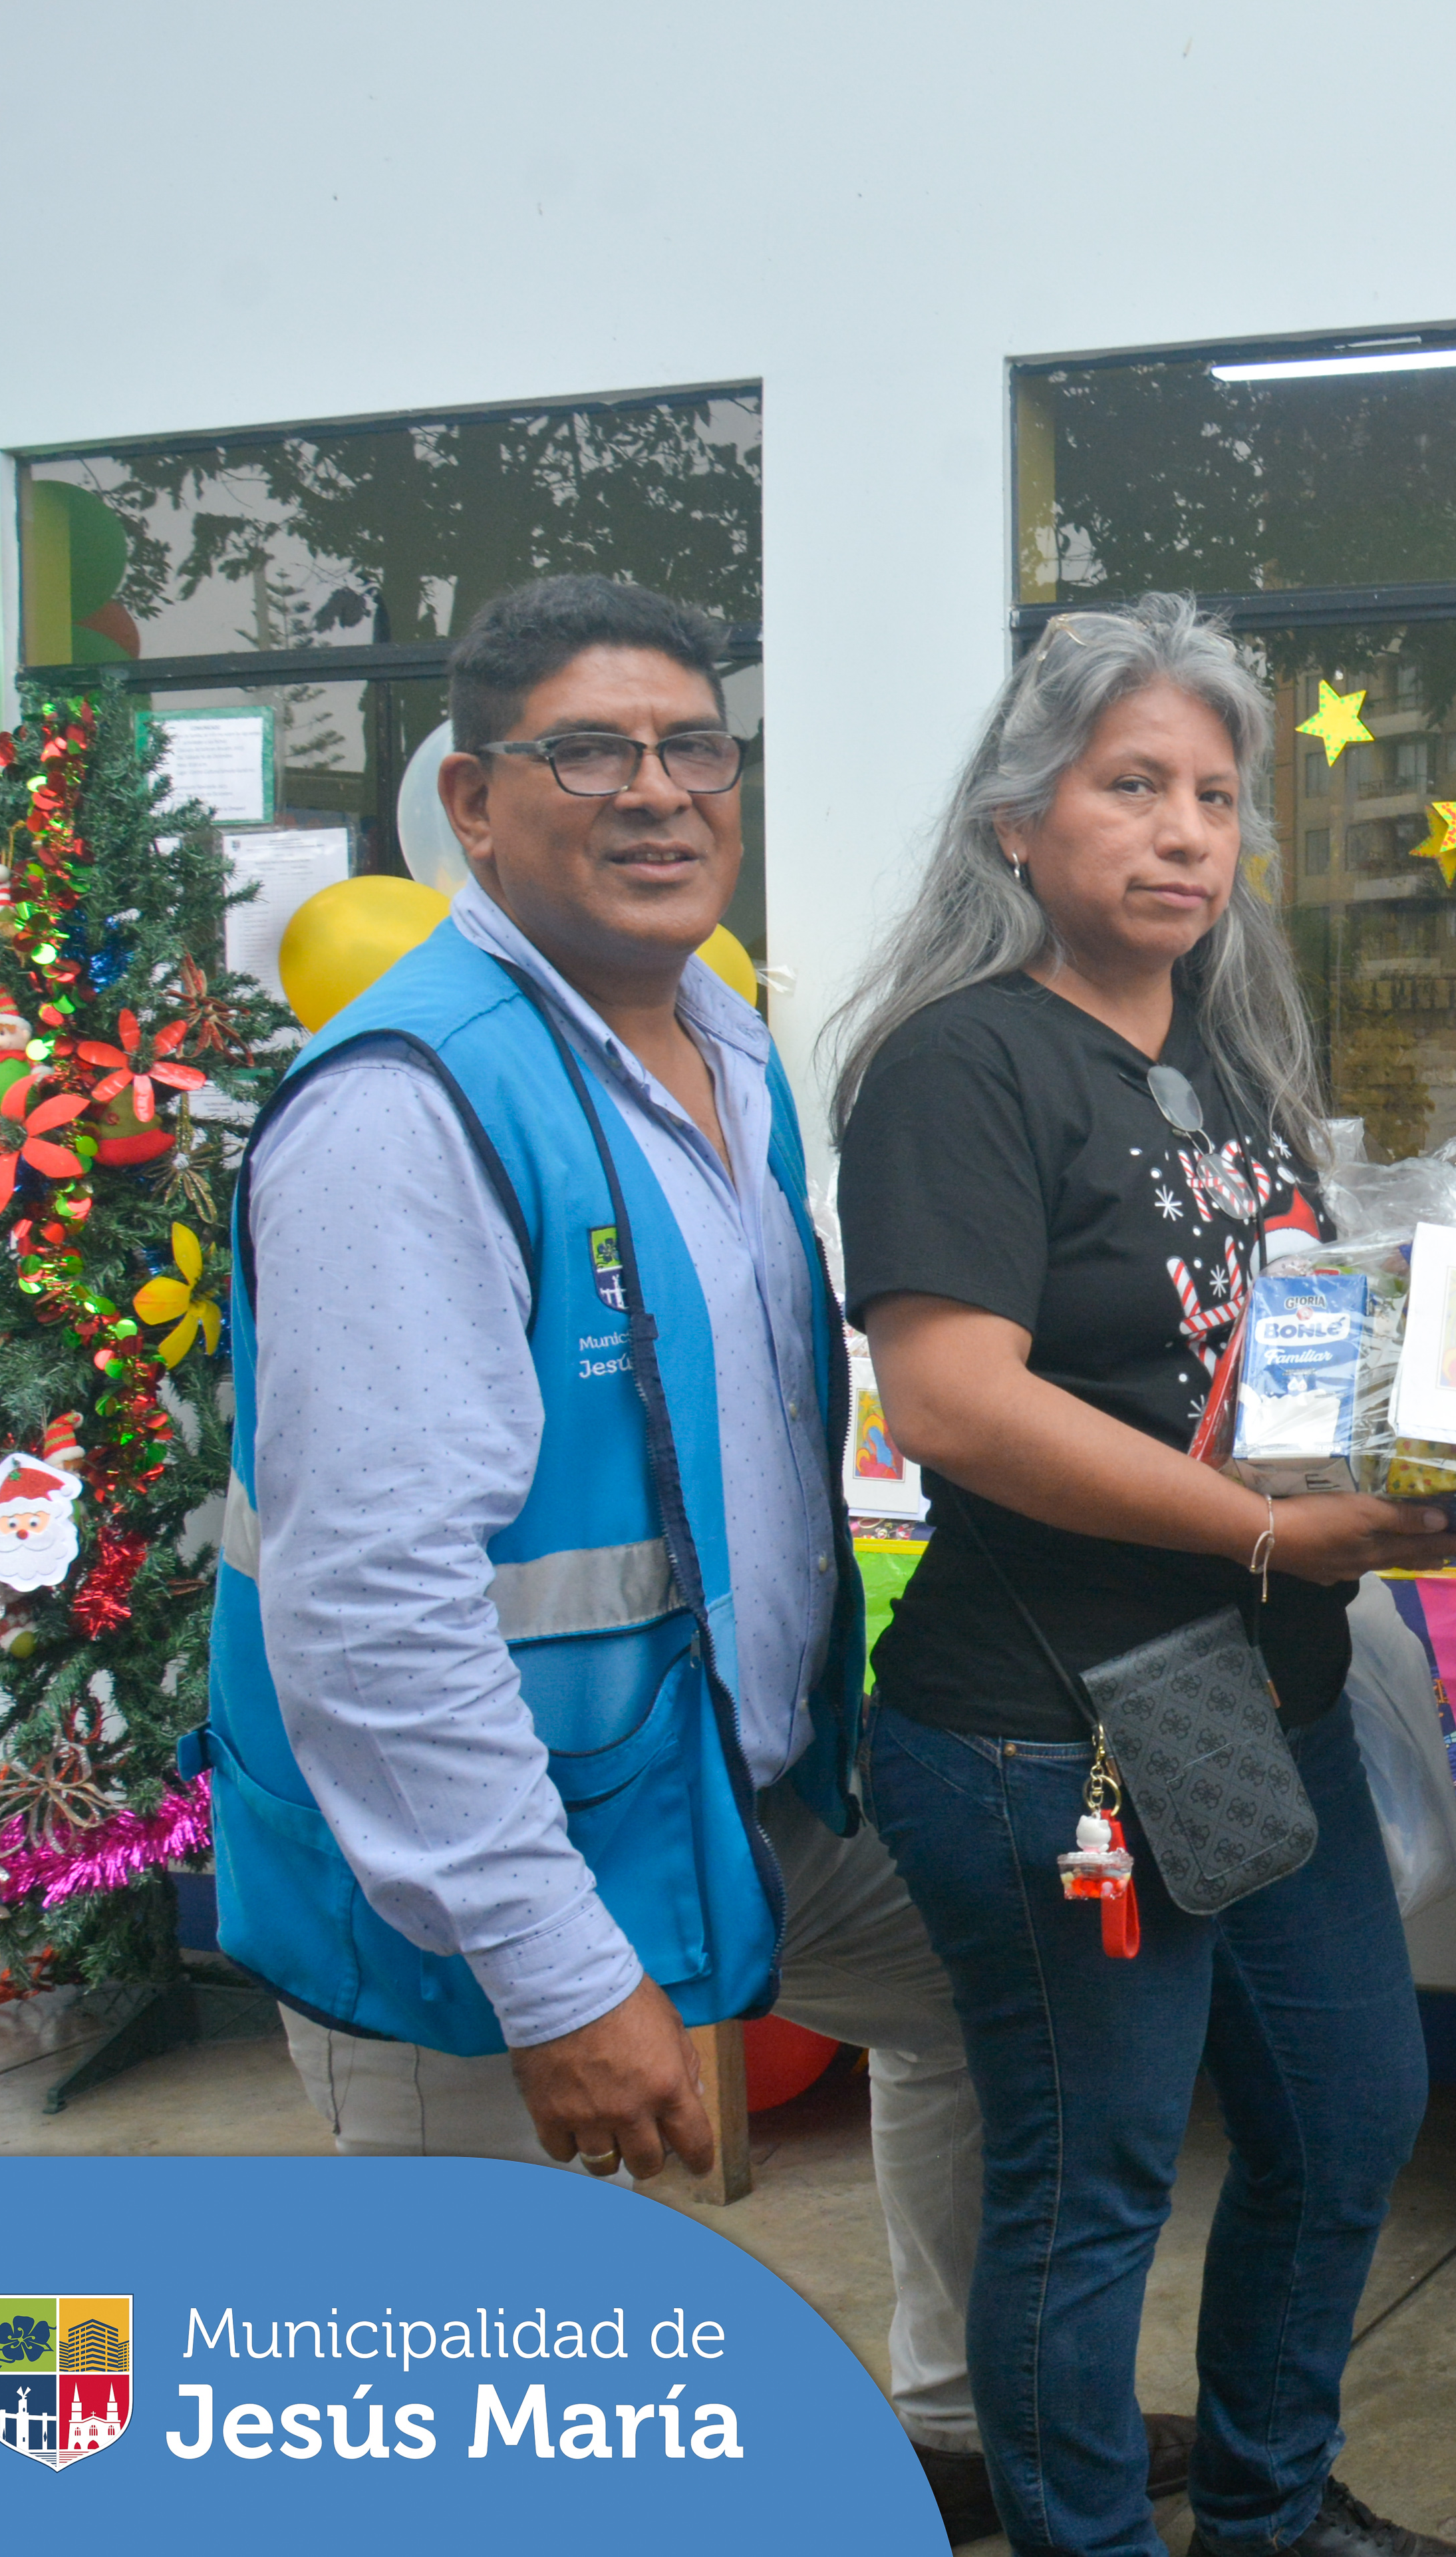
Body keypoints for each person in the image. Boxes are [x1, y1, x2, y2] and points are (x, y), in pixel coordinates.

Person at [204, 575, 1017, 2514]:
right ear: (473, 805)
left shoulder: (718, 1042)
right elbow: (375, 1606)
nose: (656, 791)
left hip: (731, 1794)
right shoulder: (407, 1108)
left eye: (692, 748)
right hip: (464, 1871)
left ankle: (964, 2420)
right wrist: (557, 1971)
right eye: (589, 751)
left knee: (1012, 1992)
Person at [833, 597, 1456, 2557]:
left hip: (1248, 1697)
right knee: (1086, 2181)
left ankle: (1269, 2516)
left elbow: (1262, 1366)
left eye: (1215, 794)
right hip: (1051, 1720)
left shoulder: (1228, 1072)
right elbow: (954, 1397)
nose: (1187, 831)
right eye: (1133, 785)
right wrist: (1277, 1530)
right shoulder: (961, 1064)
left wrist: (1439, 1438)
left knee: (1349, 2111)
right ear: (1016, 822)